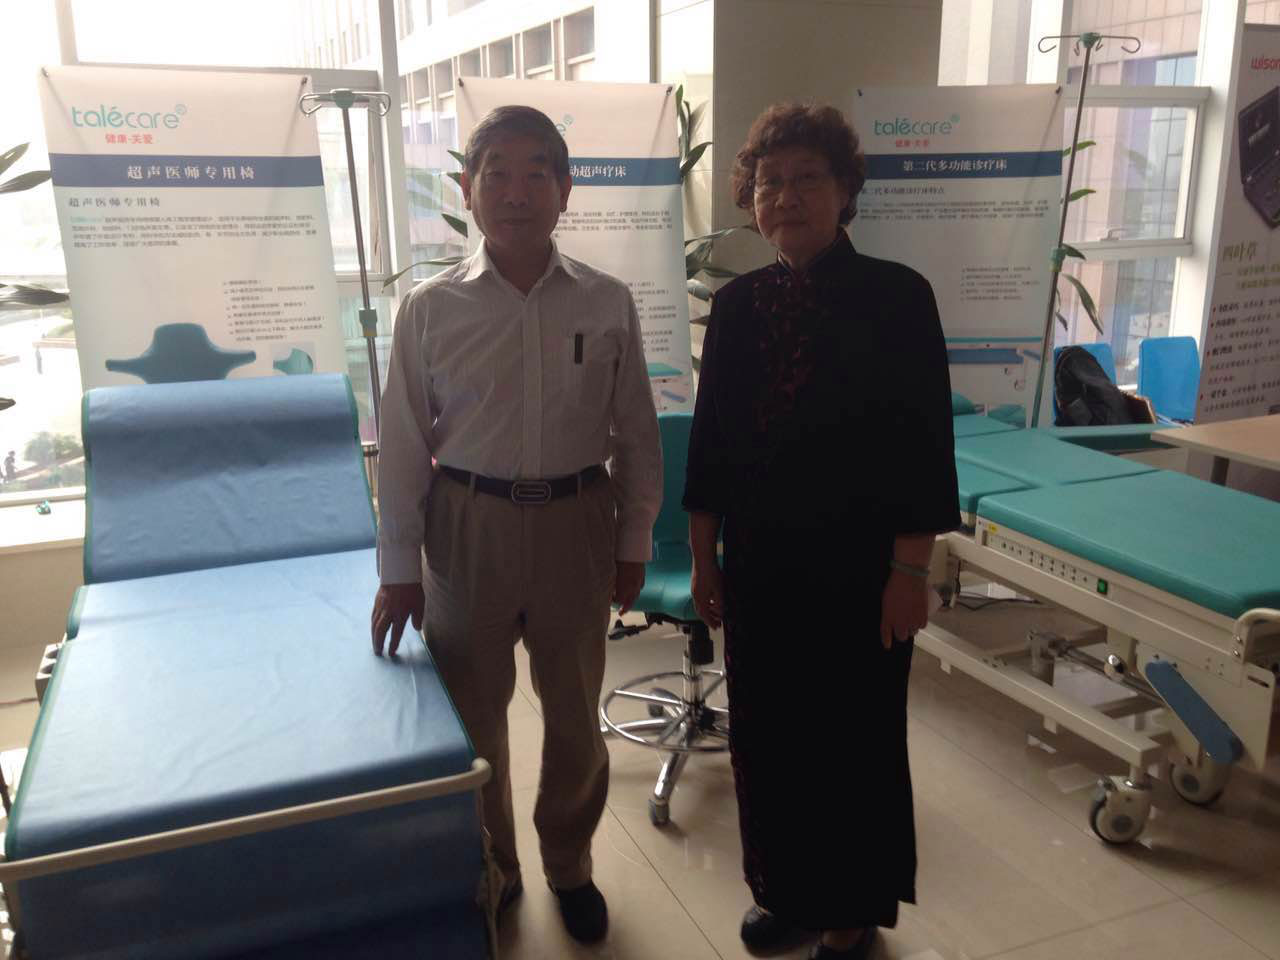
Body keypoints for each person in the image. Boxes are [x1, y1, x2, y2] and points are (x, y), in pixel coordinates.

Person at [370, 105, 662, 944]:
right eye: (495, 172)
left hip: (578, 523)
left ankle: (569, 863)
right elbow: (403, 444)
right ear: (466, 189)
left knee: (573, 714)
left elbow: (636, 434)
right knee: (473, 718)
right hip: (466, 525)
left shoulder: (606, 301)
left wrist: (634, 541)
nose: (516, 191)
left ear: (566, 190)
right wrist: (398, 568)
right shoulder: (428, 308)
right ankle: (494, 865)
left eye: (538, 172)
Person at [683, 103, 960, 960]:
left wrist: (910, 573)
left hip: (860, 571)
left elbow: (923, 446)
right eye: (770, 182)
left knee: (852, 744)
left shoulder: (898, 297)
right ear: (751, 201)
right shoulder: (736, 305)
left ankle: (849, 913)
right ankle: (786, 892)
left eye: (807, 178)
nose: (787, 196)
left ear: (845, 191)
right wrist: (702, 558)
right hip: (760, 565)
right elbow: (711, 443)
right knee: (769, 739)